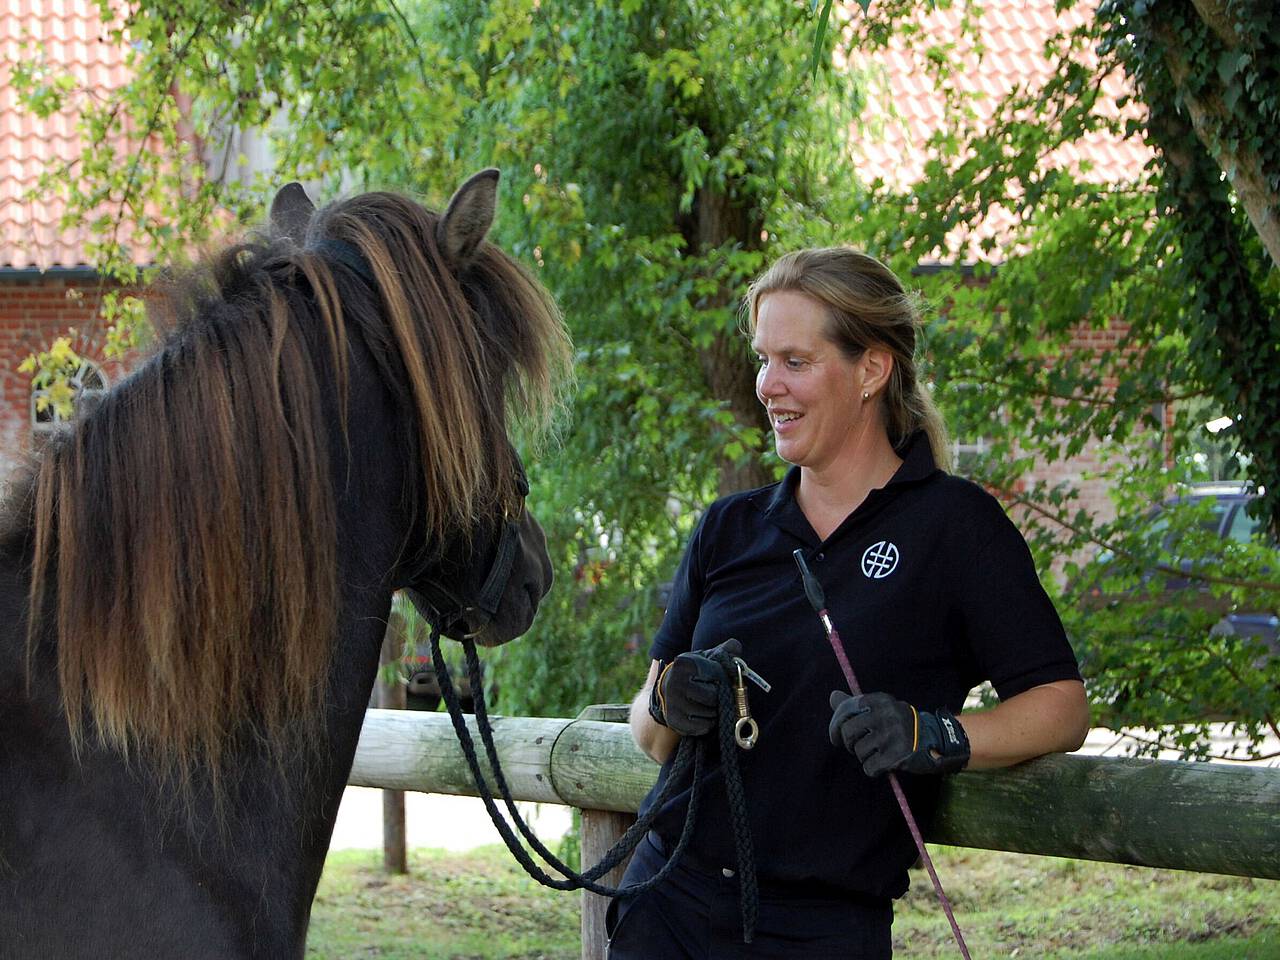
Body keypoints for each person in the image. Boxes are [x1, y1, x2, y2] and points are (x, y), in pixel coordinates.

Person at [607, 247, 1090, 959]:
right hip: (667, 905)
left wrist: (938, 735)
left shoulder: (954, 527)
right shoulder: (729, 528)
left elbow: (1062, 705)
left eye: (795, 362)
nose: (769, 384)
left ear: (871, 370)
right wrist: (673, 701)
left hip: (824, 927)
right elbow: (647, 734)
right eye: (763, 359)